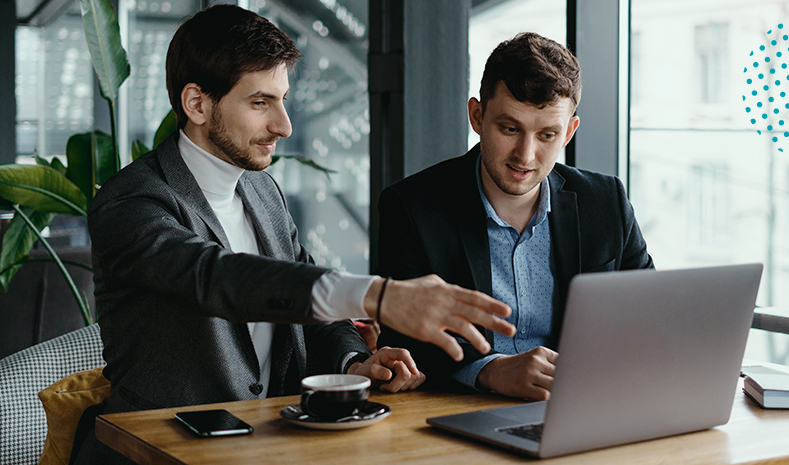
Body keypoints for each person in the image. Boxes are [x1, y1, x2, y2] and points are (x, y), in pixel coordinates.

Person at [73, 5, 514, 463]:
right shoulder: (130, 201)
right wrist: (379, 295)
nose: (284, 126)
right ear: (197, 104)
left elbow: (304, 291)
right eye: (260, 102)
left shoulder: (262, 190)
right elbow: (215, 277)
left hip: (269, 446)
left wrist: (353, 365)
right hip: (155, 451)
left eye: (283, 100)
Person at [376, 32, 654, 401]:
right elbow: (404, 348)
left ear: (568, 132)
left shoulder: (606, 202)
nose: (526, 155)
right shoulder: (411, 208)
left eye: (547, 135)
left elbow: (650, 318)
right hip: (459, 414)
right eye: (510, 128)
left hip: (582, 406)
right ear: (477, 116)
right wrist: (489, 371)